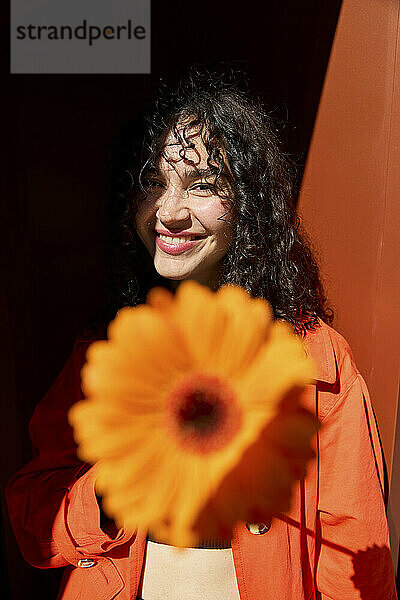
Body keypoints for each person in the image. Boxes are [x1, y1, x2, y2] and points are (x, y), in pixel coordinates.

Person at [6, 66, 397, 600]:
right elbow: (35, 523)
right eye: (153, 183)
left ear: (249, 206)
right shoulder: (105, 352)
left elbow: (356, 558)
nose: (169, 212)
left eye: (203, 185)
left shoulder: (314, 359)